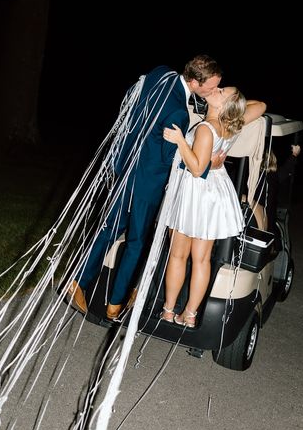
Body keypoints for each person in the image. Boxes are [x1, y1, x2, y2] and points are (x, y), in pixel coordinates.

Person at [66, 54, 223, 321]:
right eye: (211, 86)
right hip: (147, 182)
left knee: (109, 229)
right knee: (137, 242)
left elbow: (132, 94)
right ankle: (114, 304)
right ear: (196, 82)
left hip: (125, 168)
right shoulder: (178, 112)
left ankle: (78, 281)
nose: (213, 90)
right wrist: (207, 165)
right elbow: (168, 158)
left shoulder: (161, 73)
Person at [159, 87, 266, 327]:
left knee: (178, 254)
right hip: (213, 192)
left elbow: (197, 169)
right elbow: (260, 105)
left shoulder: (207, 129)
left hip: (195, 192)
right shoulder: (233, 123)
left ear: (222, 105)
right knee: (201, 259)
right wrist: (234, 103)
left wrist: (179, 142)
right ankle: (189, 314)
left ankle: (168, 311)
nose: (215, 89)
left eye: (221, 91)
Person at [252, 143, 301, 232]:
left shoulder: (255, 175)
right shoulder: (272, 176)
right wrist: (294, 154)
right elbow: (286, 169)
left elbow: (285, 171)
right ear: (272, 160)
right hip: (266, 216)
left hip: (256, 212)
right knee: (273, 235)